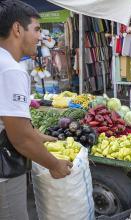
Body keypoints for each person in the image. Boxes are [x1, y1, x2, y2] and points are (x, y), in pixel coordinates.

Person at [0, 1, 73, 219]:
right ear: (17, 29)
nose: (40, 36)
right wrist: (55, 165)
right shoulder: (11, 69)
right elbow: (20, 138)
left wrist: (37, 135)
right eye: (37, 29)